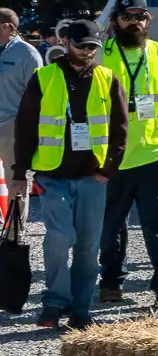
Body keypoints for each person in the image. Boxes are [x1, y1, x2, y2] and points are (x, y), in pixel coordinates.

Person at [9, 20, 127, 330]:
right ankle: (54, 302)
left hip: (92, 178)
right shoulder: (44, 78)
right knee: (61, 238)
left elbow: (120, 128)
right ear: (65, 43)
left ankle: (80, 307)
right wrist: (20, 172)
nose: (88, 52)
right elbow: (25, 127)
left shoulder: (108, 79)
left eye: (92, 47)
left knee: (88, 246)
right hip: (53, 175)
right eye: (82, 46)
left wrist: (109, 169)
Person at [96, 0, 158, 310]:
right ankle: (111, 283)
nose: (135, 22)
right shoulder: (101, 54)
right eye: (128, 16)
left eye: (141, 17)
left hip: (153, 152)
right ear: (115, 21)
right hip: (112, 155)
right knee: (111, 224)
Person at [0, 7, 46, 206]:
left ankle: (13, 234)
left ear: (5, 26)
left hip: (12, 125)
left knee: (15, 181)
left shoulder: (27, 54)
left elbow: (38, 95)